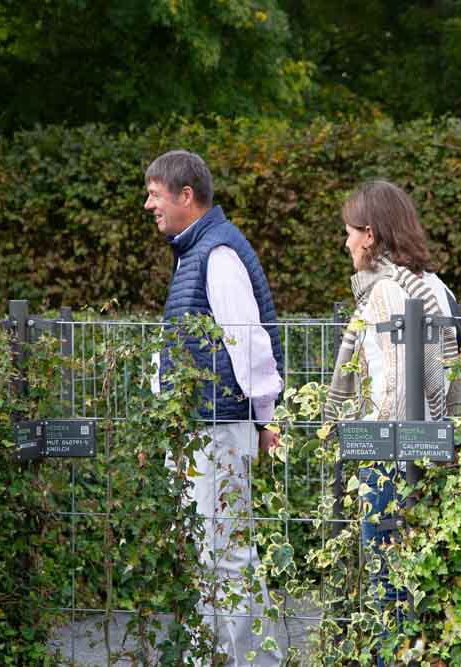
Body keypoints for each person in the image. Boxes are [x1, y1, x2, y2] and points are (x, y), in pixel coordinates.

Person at [323, 180, 461, 665]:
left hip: (393, 458)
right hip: (434, 451)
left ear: (369, 234)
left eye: (349, 231)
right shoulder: (432, 285)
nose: (346, 242)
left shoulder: (388, 292)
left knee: (390, 598)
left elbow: (395, 391)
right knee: (422, 594)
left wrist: (371, 446)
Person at [145, 149, 283, 666]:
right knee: (208, 554)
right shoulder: (195, 251)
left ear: (186, 196)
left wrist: (266, 418)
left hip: (219, 428)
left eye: (155, 195)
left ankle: (255, 662)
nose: (148, 205)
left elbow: (249, 344)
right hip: (203, 428)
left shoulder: (218, 253)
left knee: (227, 556)